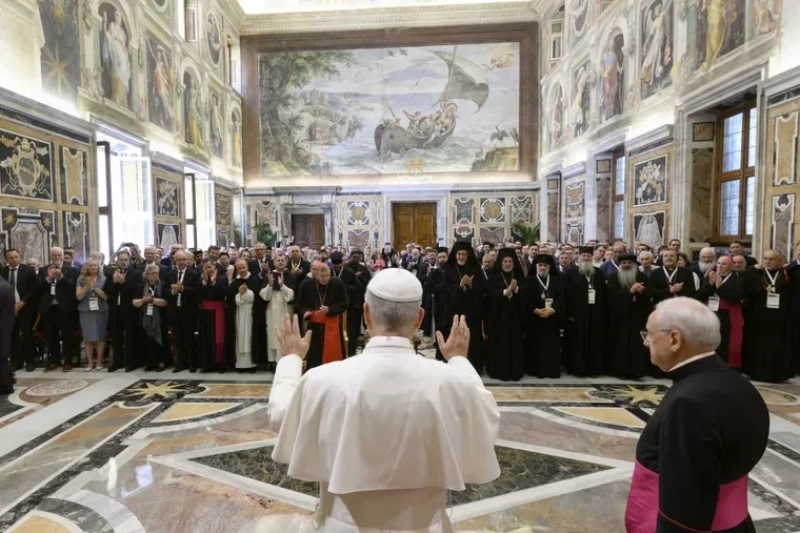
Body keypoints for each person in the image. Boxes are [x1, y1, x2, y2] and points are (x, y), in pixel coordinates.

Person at [267, 268, 500, 532]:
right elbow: (487, 416)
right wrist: (459, 359)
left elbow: (280, 415)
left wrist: (291, 358)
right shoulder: (450, 383)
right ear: (419, 318)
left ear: (366, 314)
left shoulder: (323, 379)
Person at [627, 298, 769, 533]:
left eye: (649, 334)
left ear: (674, 339)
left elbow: (684, 509)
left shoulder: (689, 403)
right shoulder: (738, 383)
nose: (646, 342)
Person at [741, 249, 793, 382]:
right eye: (765, 259)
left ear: (779, 261)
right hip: (758, 316)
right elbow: (745, 284)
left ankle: (776, 374)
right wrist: (753, 267)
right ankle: (756, 372)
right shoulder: (755, 273)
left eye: (771, 259)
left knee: (776, 346)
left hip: (779, 317)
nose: (767, 262)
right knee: (759, 345)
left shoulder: (786, 274)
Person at [562, 246, 608, 376]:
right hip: (577, 315)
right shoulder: (570, 272)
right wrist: (569, 314)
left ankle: (593, 369)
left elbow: (604, 295)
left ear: (592, 257)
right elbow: (566, 294)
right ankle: (577, 369)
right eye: (583, 256)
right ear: (579, 257)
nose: (586, 258)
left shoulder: (598, 273)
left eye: (588, 256)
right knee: (577, 342)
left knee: (594, 341)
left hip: (595, 314)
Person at [438, 242, 484, 372]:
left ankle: (473, 367)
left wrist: (471, 286)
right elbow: (443, 290)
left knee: (472, 341)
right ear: (455, 255)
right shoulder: (448, 269)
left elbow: (482, 289)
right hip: (453, 312)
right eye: (459, 254)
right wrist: (459, 285)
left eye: (464, 254)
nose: (461, 257)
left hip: (471, 312)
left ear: (468, 255)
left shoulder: (475, 269)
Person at [606, 253, 652, 378]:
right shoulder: (613, 277)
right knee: (619, 344)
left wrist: (642, 292)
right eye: (623, 263)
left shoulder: (641, 276)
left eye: (629, 263)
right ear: (620, 265)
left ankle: (637, 371)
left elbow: (649, 296)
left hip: (637, 317)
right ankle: (618, 371)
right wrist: (629, 291)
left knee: (636, 345)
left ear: (634, 264)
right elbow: (611, 295)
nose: (626, 265)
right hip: (619, 317)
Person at [485, 248, 527, 381]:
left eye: (510, 261)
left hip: (516, 317)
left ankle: (515, 372)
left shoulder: (520, 276)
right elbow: (489, 295)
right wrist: (505, 291)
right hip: (498, 317)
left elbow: (528, 294)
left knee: (515, 344)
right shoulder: (493, 276)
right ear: (501, 263)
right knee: (499, 345)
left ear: (514, 262)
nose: (507, 264)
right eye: (505, 261)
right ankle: (498, 371)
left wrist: (517, 290)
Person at [297, 263, 348, 370]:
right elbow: (301, 305)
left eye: (327, 276)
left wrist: (329, 309)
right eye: (322, 276)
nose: (325, 279)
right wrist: (305, 312)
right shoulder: (308, 284)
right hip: (314, 327)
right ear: (317, 275)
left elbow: (344, 305)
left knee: (332, 353)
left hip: (332, 324)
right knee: (314, 354)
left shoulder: (337, 283)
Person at [696, 255, 744, 370]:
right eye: (718, 263)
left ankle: (727, 367)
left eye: (724, 264)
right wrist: (710, 285)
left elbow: (736, 298)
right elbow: (698, 295)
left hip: (728, 315)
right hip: (710, 314)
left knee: (727, 342)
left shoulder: (737, 279)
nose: (720, 266)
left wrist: (720, 287)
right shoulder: (709, 276)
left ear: (731, 266)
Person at [38, 247, 79, 372]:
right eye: (54, 255)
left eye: (59, 255)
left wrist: (61, 277)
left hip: (65, 308)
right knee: (51, 335)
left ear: (62, 256)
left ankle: (67, 361)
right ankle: (53, 360)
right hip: (49, 308)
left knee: (67, 335)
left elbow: (72, 287)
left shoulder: (71, 270)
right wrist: (48, 279)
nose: (57, 257)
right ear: (51, 256)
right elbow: (38, 289)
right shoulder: (43, 270)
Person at [525, 254, 564, 378]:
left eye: (545, 265)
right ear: (536, 266)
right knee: (535, 345)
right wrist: (535, 310)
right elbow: (525, 299)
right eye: (540, 265)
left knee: (551, 346)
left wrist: (553, 309)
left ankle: (551, 370)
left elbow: (562, 297)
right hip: (535, 318)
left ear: (550, 267)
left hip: (552, 318)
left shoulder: (556, 280)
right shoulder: (529, 280)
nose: (542, 268)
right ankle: (535, 370)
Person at [1, 249, 39, 372]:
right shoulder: (3, 272)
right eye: (11, 258)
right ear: (6, 259)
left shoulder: (28, 270)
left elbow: (34, 290)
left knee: (27, 335)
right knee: (12, 335)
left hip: (25, 307)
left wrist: (21, 303)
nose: (14, 259)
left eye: (16, 256)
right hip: (8, 309)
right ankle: (16, 361)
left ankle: (30, 361)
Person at [260, 255, 296, 369]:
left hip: (286, 309)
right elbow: (263, 295)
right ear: (274, 263)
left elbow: (292, 295)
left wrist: (282, 286)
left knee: (285, 334)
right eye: (278, 260)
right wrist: (270, 285)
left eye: (282, 260)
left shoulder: (291, 276)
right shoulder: (269, 275)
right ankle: (273, 361)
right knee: (272, 334)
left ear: (286, 262)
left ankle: (284, 361)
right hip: (272, 309)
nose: (280, 262)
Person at [167, 251, 200, 373]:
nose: (181, 262)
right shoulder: (170, 274)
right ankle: (181, 363)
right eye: (179, 260)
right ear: (175, 261)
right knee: (178, 338)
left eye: (183, 260)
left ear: (187, 261)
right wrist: (173, 292)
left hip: (189, 311)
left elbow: (196, 291)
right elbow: (165, 289)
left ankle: (192, 363)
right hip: (175, 310)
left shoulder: (194, 274)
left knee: (189, 338)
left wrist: (183, 288)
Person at [132, 264, 170, 372]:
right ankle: (150, 362)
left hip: (160, 318)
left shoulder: (163, 285)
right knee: (147, 340)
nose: (155, 275)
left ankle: (162, 362)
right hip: (145, 318)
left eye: (156, 273)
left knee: (161, 339)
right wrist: (143, 300)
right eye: (152, 273)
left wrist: (152, 300)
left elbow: (165, 302)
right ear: (146, 275)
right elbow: (135, 302)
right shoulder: (140, 286)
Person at [75, 260, 109, 371]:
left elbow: (106, 296)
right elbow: (79, 297)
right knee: (87, 337)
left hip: (101, 310)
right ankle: (90, 362)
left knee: (101, 336)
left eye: (95, 265)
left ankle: (99, 361)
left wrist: (94, 288)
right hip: (86, 311)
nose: (93, 267)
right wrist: (86, 286)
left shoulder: (104, 279)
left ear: (99, 267)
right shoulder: (81, 279)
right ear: (87, 267)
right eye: (91, 265)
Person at [228, 259, 260, 374]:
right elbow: (230, 300)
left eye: (243, 267)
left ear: (247, 267)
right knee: (239, 337)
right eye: (239, 268)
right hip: (238, 313)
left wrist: (247, 293)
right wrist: (240, 295)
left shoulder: (254, 280)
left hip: (250, 314)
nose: (241, 270)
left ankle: (251, 364)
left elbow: (257, 299)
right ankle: (240, 364)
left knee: (250, 337)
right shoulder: (234, 283)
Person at [197, 258, 229, 373]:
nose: (208, 270)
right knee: (206, 337)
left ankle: (221, 364)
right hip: (205, 312)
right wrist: (205, 282)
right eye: (205, 268)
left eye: (209, 267)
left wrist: (214, 282)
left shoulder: (222, 278)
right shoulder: (201, 280)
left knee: (219, 337)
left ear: (214, 267)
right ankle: (207, 364)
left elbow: (224, 292)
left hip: (218, 310)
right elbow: (199, 294)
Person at [0, 276, 15, 394]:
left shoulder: (2, 286)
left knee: (2, 358)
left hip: (2, 327)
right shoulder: (4, 284)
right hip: (5, 325)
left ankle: (6, 386)